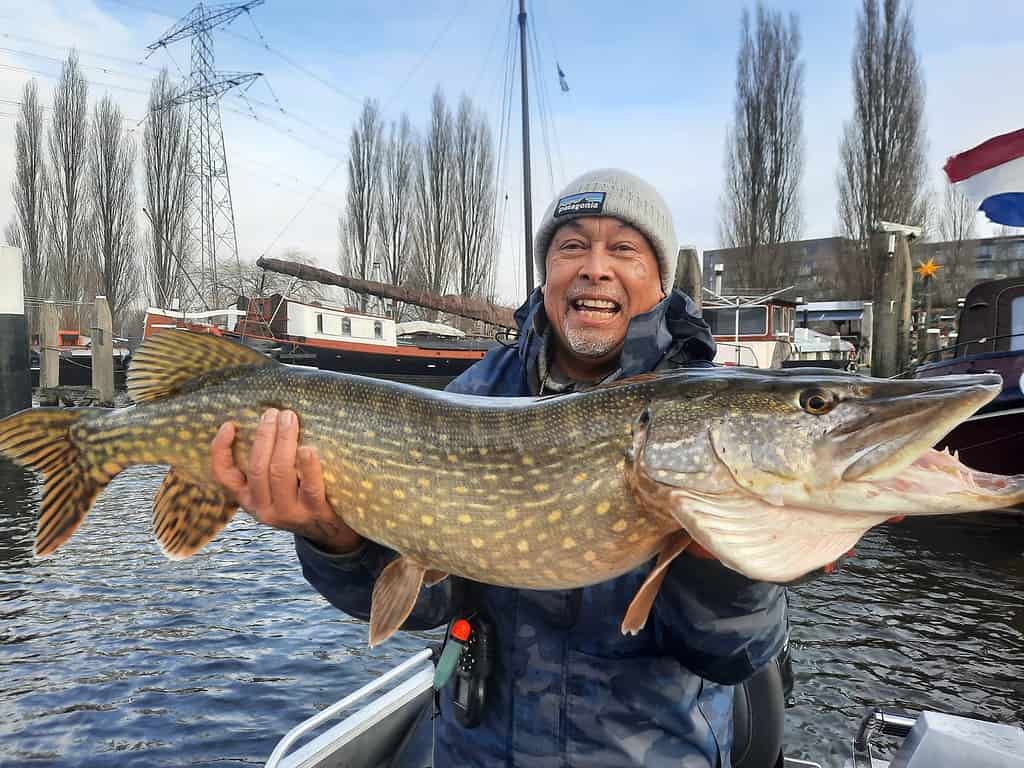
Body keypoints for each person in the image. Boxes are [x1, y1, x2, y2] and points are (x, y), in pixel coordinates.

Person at [211, 169, 787, 767]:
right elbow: (431, 603)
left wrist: (723, 569)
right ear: (547, 272)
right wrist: (332, 538)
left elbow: (734, 655)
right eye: (571, 246)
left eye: (623, 248)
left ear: (660, 282)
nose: (595, 267)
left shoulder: (702, 408)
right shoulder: (477, 393)